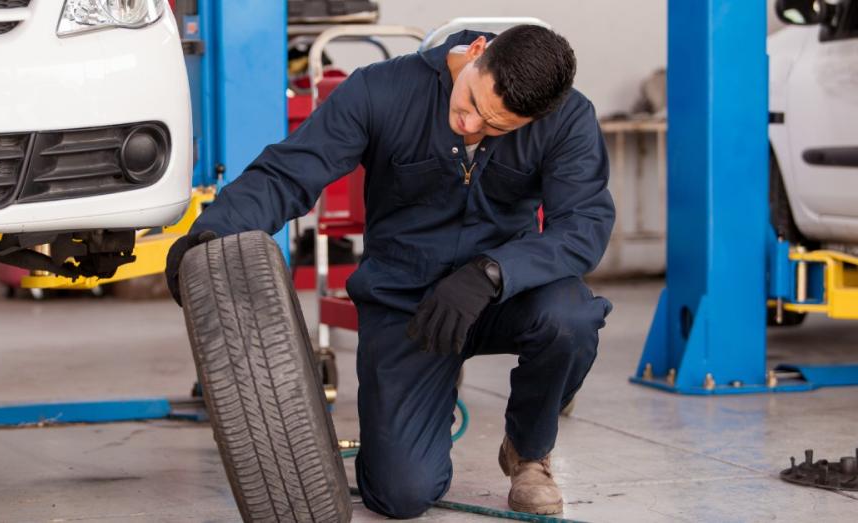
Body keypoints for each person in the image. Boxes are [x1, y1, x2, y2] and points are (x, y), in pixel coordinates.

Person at [165, 25, 614, 518]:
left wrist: (493, 272)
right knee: (401, 495)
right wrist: (211, 233)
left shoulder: (569, 118)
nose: (470, 126)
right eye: (470, 105)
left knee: (570, 317)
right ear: (478, 53)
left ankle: (527, 452)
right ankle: (428, 396)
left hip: (500, 295)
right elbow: (290, 172)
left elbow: (583, 228)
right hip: (408, 303)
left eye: (495, 127)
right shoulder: (380, 90)